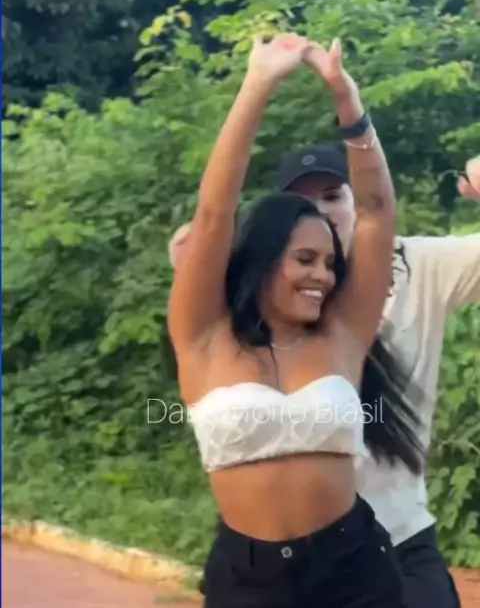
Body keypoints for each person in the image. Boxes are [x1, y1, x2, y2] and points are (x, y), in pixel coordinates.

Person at [169, 111, 479, 604]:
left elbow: (379, 212)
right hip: (265, 554)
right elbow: (211, 228)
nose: (322, 212)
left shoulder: (416, 267)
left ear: (355, 198)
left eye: (333, 196)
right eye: (304, 202)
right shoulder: (245, 316)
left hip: (390, 538)